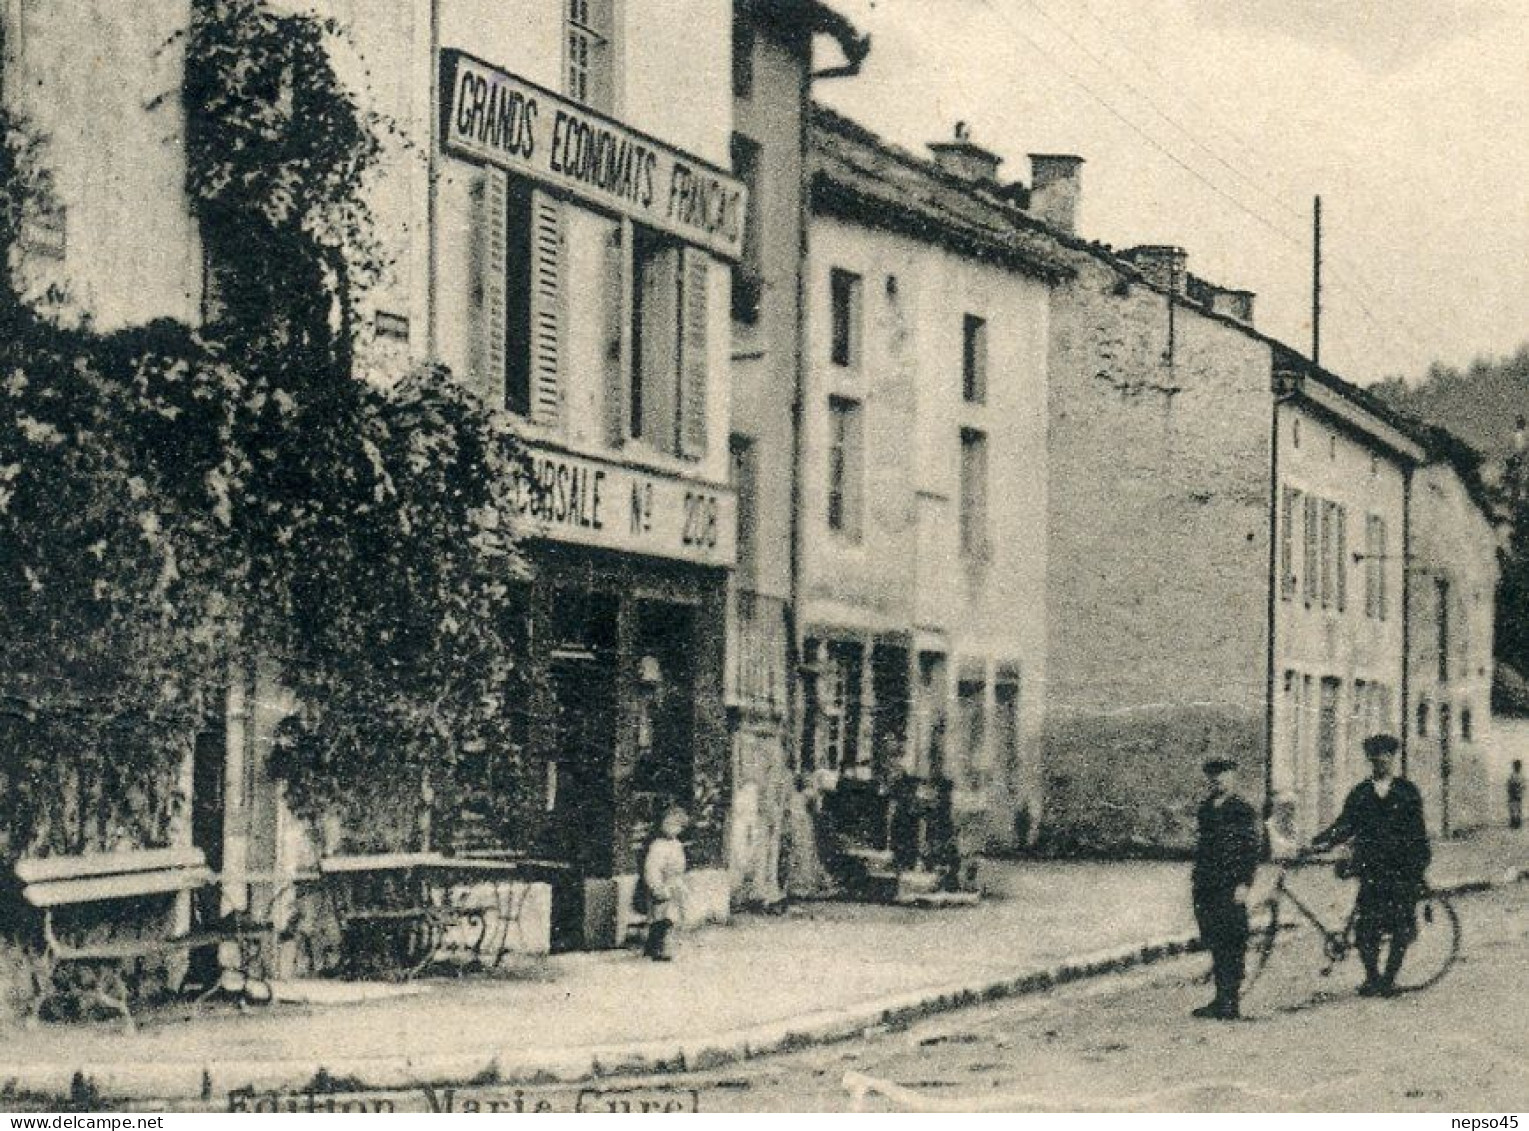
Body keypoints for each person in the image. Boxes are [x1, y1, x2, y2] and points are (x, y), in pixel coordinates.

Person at [1309, 733, 1430, 997]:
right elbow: (1345, 824)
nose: (1381, 761)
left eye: (1386, 756)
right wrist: (1320, 841)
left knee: (1400, 927)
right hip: (1371, 869)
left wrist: (1419, 867)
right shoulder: (1361, 793)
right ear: (1370, 760)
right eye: (1376, 757)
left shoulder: (1407, 792)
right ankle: (1372, 978)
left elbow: (1419, 833)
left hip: (1401, 870)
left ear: (1393, 759)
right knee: (1367, 928)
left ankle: (1389, 979)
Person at [1191, 756, 1261, 1020]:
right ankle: (1221, 999)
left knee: (1233, 940)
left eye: (1224, 774)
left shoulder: (1241, 809)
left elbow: (1250, 849)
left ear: (1233, 777)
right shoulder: (1206, 808)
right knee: (1214, 939)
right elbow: (1203, 847)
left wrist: (1244, 883)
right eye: (1214, 775)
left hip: (1231, 884)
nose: (1218, 779)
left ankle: (1231, 1000)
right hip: (1207, 883)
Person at [641, 806, 690, 961]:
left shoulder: (676, 844)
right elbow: (652, 867)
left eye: (678, 826)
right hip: (662, 883)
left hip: (674, 884)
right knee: (660, 918)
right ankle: (657, 949)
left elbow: (680, 865)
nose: (674, 829)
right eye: (670, 825)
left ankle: (658, 947)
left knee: (672, 918)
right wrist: (656, 885)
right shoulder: (658, 845)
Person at [1509, 760, 1525, 831]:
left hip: (1514, 794)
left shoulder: (1513, 776)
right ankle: (1516, 822)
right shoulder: (1519, 776)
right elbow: (1523, 786)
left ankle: (1515, 822)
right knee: (1517, 807)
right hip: (1517, 794)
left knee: (1514, 807)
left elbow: (1510, 785)